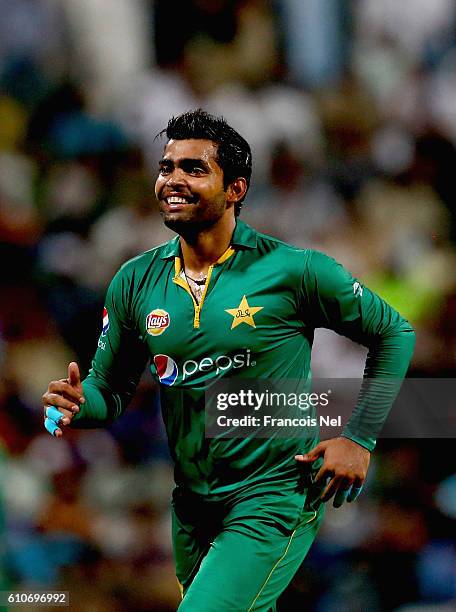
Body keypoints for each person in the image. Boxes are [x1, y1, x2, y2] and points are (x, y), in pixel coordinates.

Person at [42, 109, 415, 611]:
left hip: (272, 496)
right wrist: (76, 402)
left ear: (235, 189)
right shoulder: (134, 281)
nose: (172, 179)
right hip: (193, 507)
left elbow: (394, 332)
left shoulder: (294, 271)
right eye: (167, 166)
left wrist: (360, 438)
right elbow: (107, 392)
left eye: (194, 168)